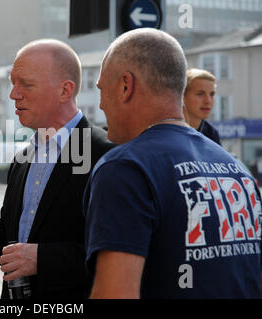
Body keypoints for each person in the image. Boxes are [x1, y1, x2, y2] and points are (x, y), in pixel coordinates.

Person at [84, 28, 261, 298]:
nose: (101, 105)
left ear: (125, 86)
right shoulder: (238, 172)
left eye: (101, 90)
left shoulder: (125, 168)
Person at [0, 39, 114, 299]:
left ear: (65, 91)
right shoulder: (23, 158)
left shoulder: (108, 154)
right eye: (12, 82)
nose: (13, 94)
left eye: (25, 84)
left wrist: (42, 259)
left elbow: (119, 257)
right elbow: (8, 247)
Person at [183, 68, 221, 145]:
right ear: (182, 96)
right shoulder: (167, 130)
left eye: (212, 94)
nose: (208, 101)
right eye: (200, 94)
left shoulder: (211, 134)